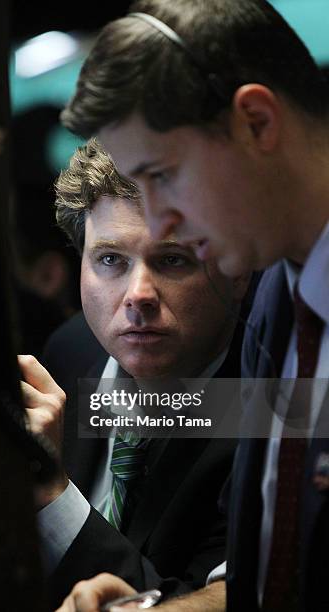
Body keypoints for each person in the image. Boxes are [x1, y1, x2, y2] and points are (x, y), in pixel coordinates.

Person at [57, 1, 329, 611]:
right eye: (109, 259)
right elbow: (261, 577)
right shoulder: (276, 301)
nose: (161, 217)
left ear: (256, 121)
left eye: (163, 175)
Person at [20, 138, 253, 608]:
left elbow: (190, 598)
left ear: (238, 271)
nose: (138, 294)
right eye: (111, 260)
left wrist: (51, 495)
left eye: (172, 260)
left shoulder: (277, 405)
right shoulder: (68, 352)